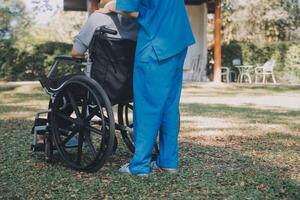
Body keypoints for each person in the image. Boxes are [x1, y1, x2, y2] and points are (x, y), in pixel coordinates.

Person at [109, 0, 195, 176]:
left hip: (156, 45)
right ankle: (168, 162)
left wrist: (110, 6)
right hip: (178, 41)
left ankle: (139, 165)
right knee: (169, 106)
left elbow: (127, 9)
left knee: (147, 106)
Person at [71, 0, 138, 58]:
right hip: (135, 71)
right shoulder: (142, 22)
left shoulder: (97, 18)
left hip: (99, 71)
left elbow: (76, 54)